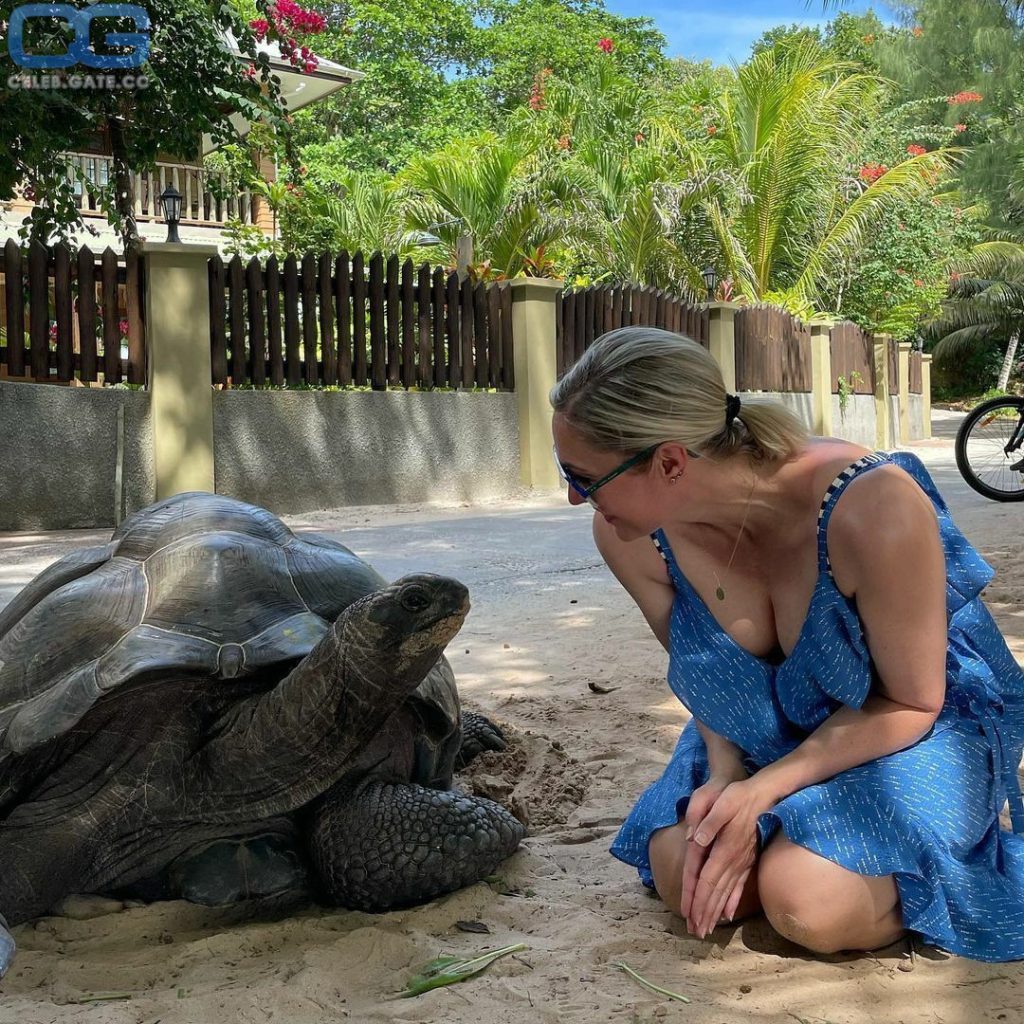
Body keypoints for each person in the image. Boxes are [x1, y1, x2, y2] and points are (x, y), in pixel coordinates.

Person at [549, 326, 1024, 962]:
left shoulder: (871, 504)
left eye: (581, 475)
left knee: (804, 901)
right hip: (763, 731)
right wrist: (726, 773)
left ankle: (945, 848)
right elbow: (708, 676)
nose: (573, 496)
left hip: (907, 723)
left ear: (668, 462)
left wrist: (765, 790)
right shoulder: (629, 534)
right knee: (680, 871)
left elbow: (912, 702)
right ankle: (791, 831)